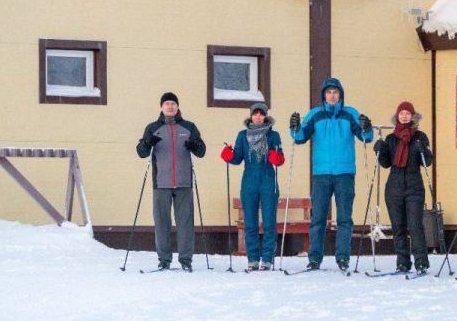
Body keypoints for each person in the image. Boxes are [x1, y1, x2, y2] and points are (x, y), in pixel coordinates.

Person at [289, 77, 373, 271]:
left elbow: (365, 137)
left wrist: (366, 128)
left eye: (336, 92)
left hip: (345, 174)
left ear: (340, 95)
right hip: (321, 174)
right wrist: (294, 127)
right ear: (324, 95)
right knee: (318, 217)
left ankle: (342, 257)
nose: (332, 96)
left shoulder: (349, 114)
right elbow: (300, 137)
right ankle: (314, 258)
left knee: (344, 218)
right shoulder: (315, 115)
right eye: (329, 92)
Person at [136, 92, 207, 272]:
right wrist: (148, 142)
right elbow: (141, 152)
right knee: (162, 222)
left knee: (185, 223)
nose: (170, 107)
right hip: (161, 183)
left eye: (173, 104)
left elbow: (202, 151)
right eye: (167, 103)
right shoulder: (152, 127)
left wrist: (194, 146)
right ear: (161, 107)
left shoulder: (189, 127)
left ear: (177, 107)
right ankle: (164, 260)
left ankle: (185, 260)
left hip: (184, 183)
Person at [220, 103, 285, 271]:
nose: (258, 116)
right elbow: (237, 159)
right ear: (250, 116)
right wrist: (228, 155)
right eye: (255, 114)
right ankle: (253, 258)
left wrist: (276, 157)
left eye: (261, 114)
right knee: (250, 221)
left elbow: (280, 159)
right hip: (249, 179)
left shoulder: (273, 135)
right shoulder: (242, 135)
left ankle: (268, 259)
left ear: (265, 116)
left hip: (268, 179)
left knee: (269, 221)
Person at [374, 101, 434, 274]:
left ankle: (421, 262)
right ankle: (402, 262)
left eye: (408, 113)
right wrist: (380, 150)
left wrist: (423, 150)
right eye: (402, 113)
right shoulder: (391, 138)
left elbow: (428, 162)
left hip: (414, 185)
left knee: (415, 225)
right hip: (394, 186)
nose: (405, 116)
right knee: (398, 226)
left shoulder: (420, 136)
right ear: (397, 116)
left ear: (413, 116)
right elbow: (385, 163)